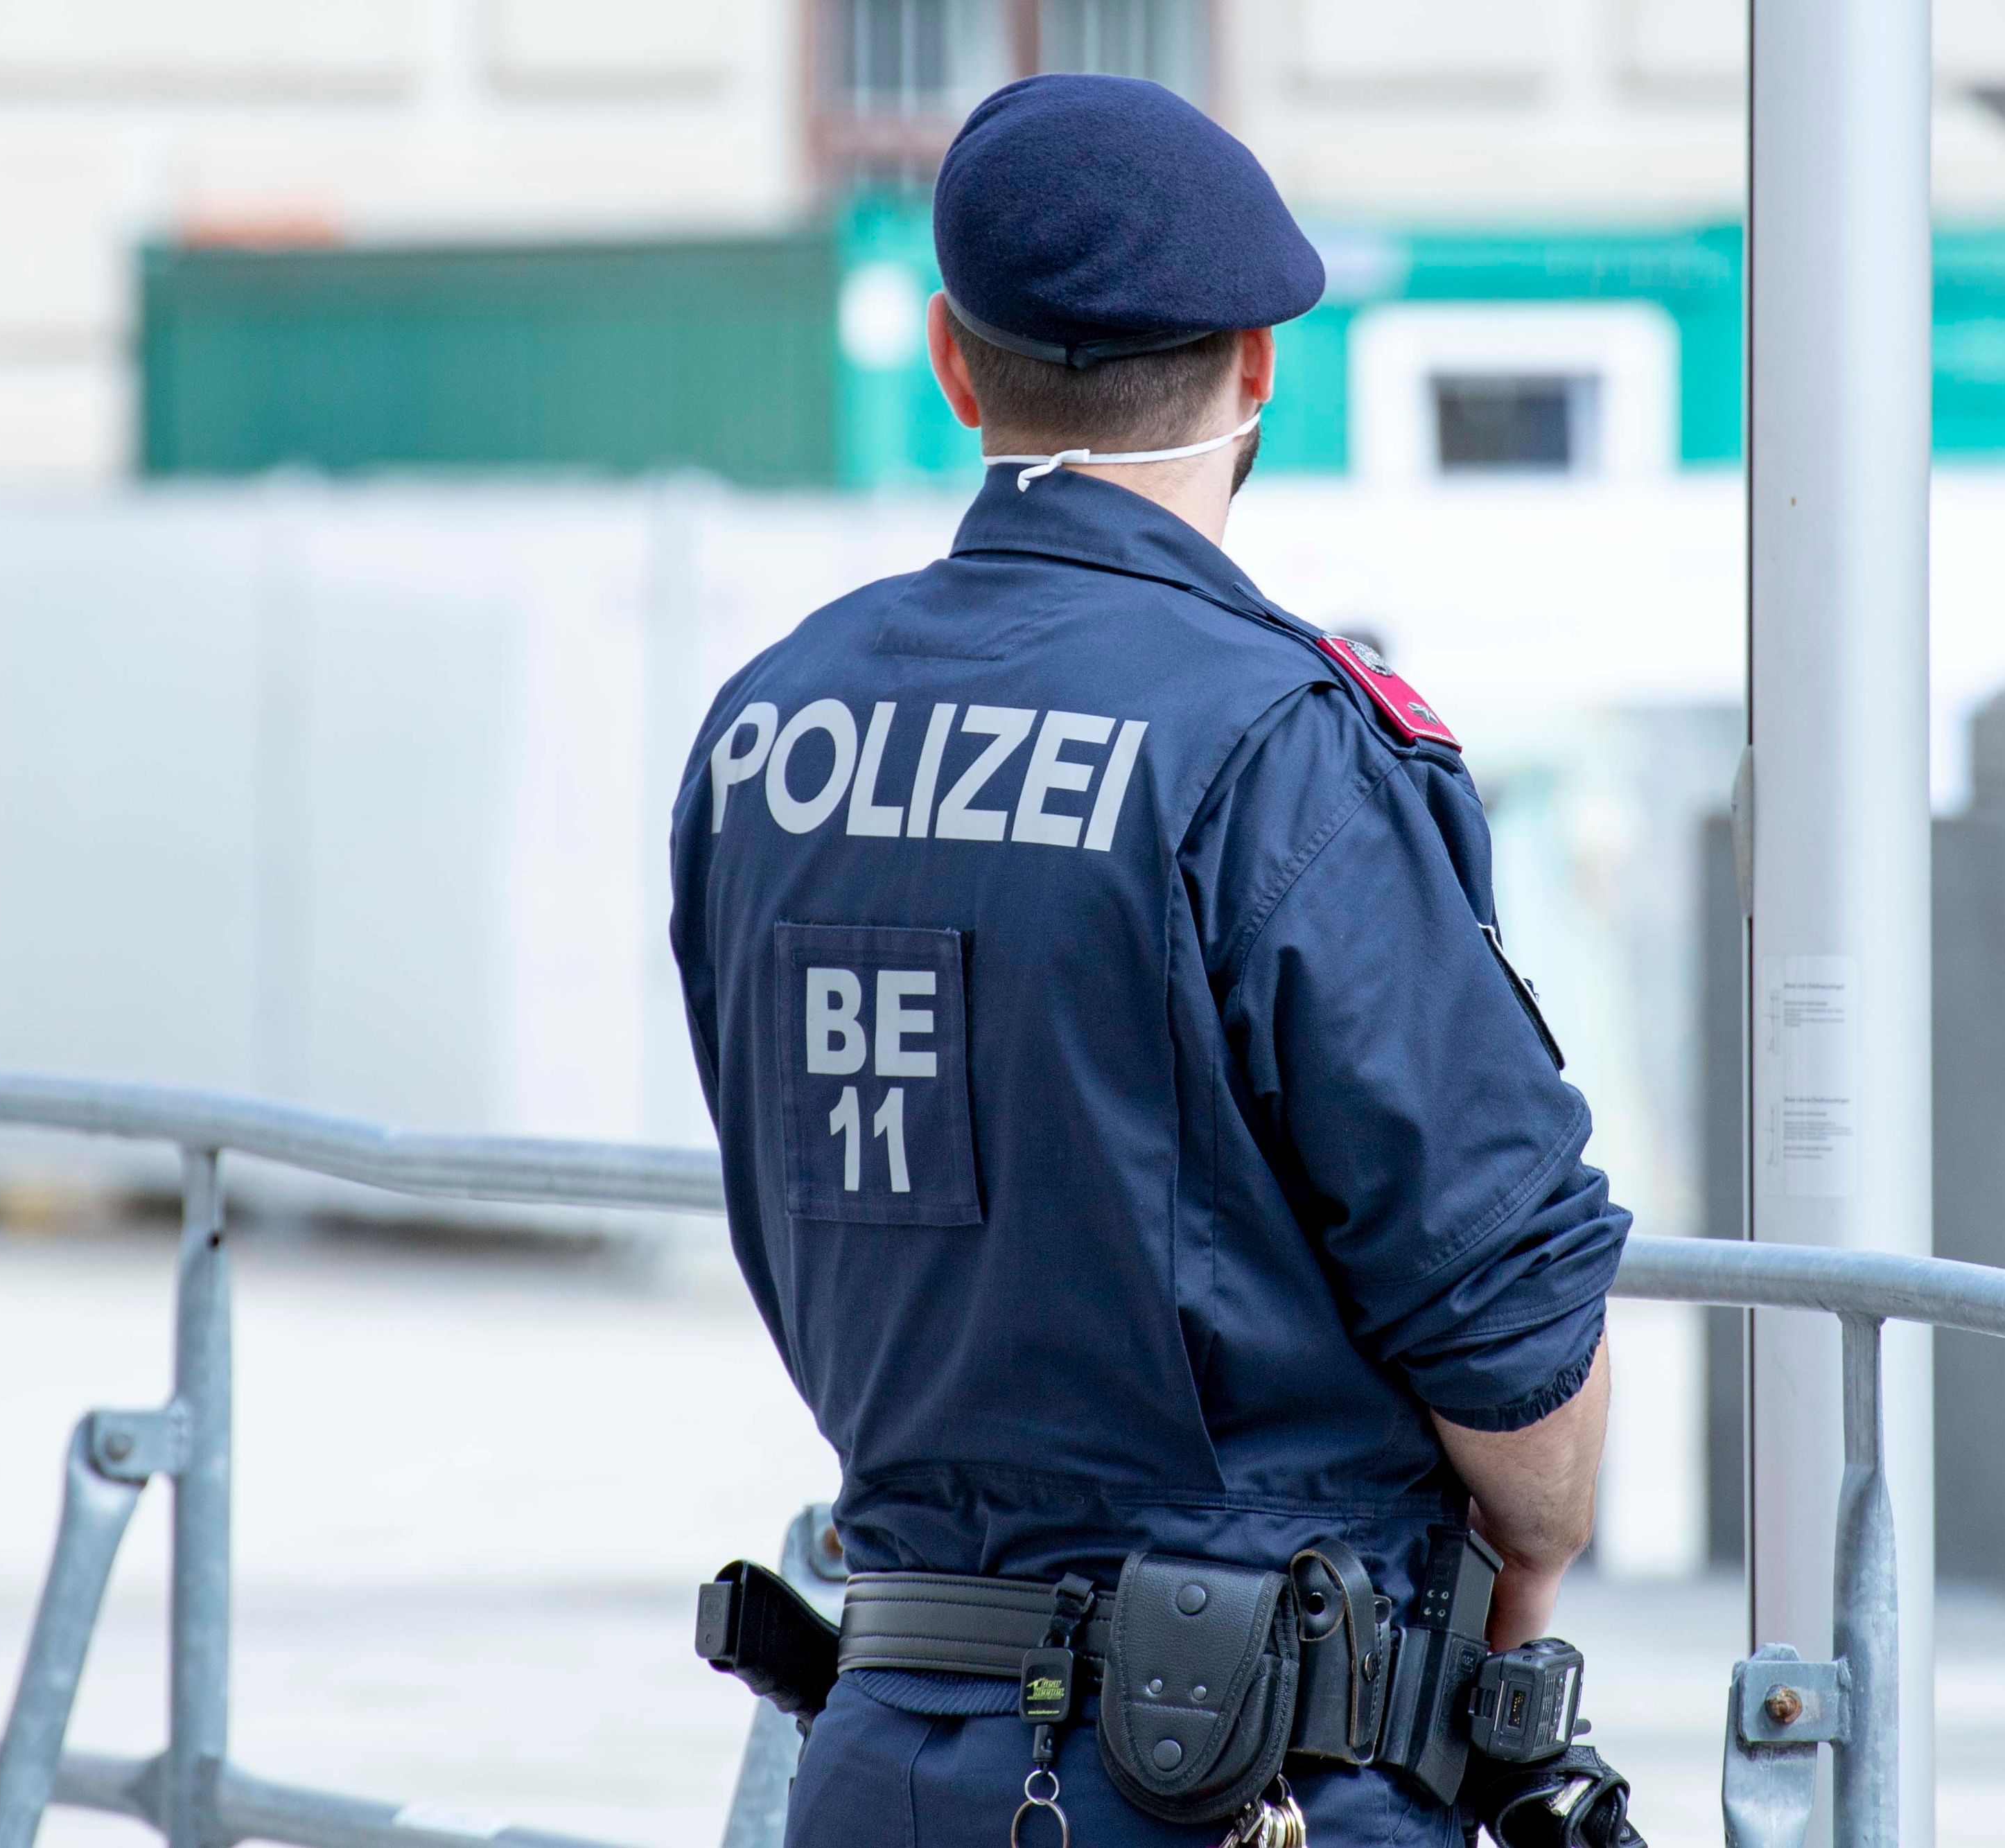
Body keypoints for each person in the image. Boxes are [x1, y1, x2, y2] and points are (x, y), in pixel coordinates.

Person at [670, 73, 1636, 1847]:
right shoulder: (1278, 743)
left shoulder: (767, 726)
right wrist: (1530, 1567)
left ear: (954, 363)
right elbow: (1502, 1308)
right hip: (1241, 1773)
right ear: (1258, 369)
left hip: (883, 1746)